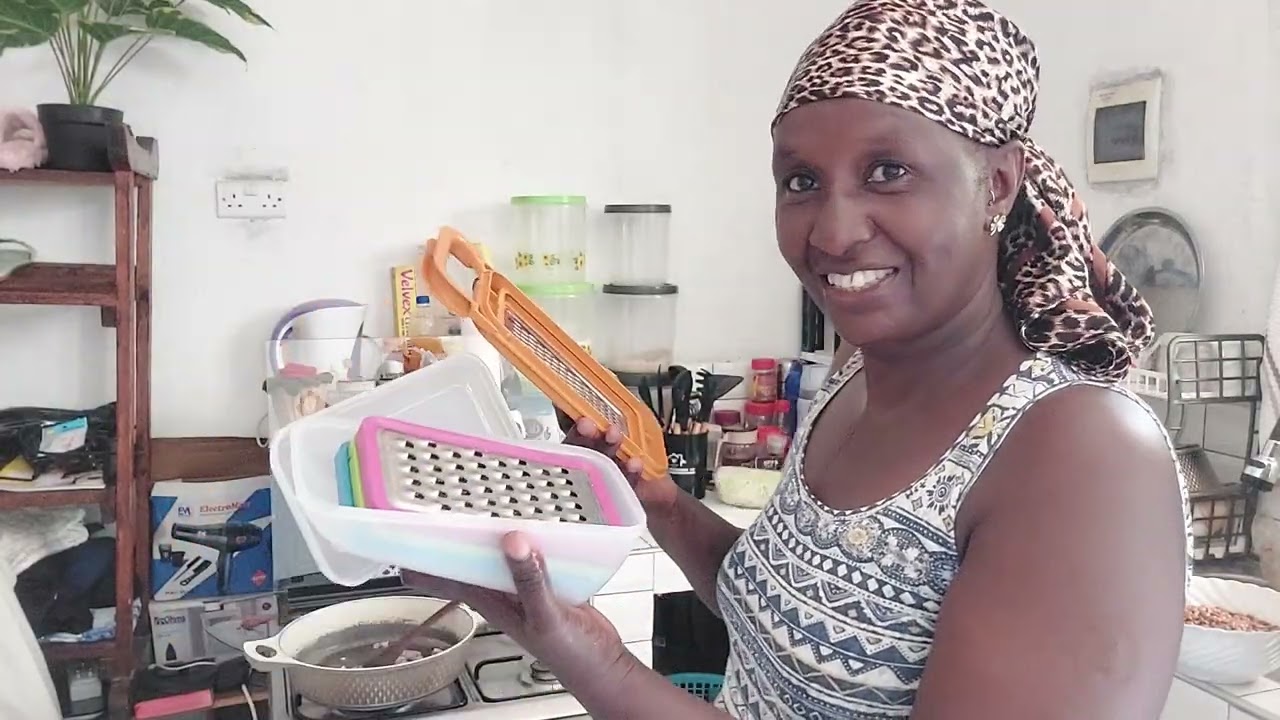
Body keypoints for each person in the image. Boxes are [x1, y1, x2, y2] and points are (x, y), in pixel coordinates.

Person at [405, 0, 1191, 717]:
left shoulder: (1080, 454)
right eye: (802, 181)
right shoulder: (853, 376)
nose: (834, 231)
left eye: (888, 172)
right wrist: (663, 505)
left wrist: (598, 662)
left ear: (997, 183)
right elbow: (782, 609)